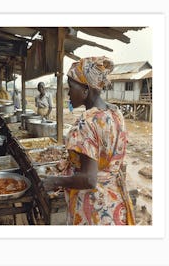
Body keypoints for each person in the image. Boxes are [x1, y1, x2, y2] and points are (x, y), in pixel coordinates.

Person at [42, 56, 135, 225]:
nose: (68, 92)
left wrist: (55, 181)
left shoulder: (87, 121)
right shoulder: (116, 114)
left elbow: (89, 179)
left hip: (93, 209)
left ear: (86, 89)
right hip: (114, 202)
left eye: (70, 87)